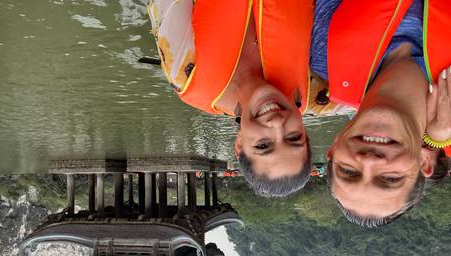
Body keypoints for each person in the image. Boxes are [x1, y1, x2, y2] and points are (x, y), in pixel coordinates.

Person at [147, 0, 353, 197]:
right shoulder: (322, 92)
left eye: (263, 145)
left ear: (239, 145)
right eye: (293, 138)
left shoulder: (185, 72)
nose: (277, 124)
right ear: (304, 132)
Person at [315, 0, 451, 227]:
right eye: (389, 178)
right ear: (423, 163)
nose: (369, 161)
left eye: (349, 171)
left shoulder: (324, 52)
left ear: (335, 147)